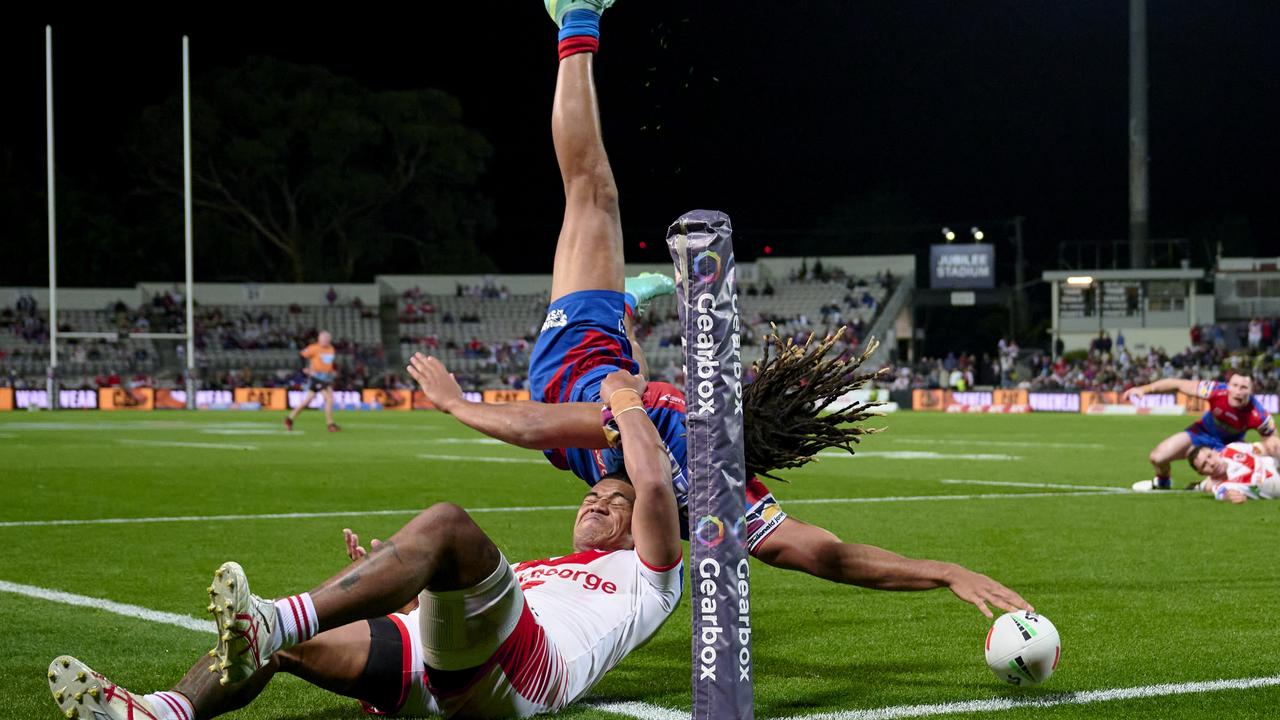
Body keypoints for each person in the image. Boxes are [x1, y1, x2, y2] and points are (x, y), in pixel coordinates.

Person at [407, 0, 1029, 621]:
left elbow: (540, 426)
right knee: (596, 215)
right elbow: (826, 555)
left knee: (592, 200)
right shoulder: (713, 479)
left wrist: (455, 403)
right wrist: (945, 571)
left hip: (579, 372)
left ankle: (577, 26)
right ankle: (578, 26)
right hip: (597, 369)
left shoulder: (691, 458)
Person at [48, 367, 682, 720]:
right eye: (592, 496)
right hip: (449, 665)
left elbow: (653, 481)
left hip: (528, 675)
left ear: (639, 525)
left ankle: (278, 619)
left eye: (614, 503)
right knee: (275, 646)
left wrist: (624, 396)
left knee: (447, 524)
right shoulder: (541, 568)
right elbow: (462, 622)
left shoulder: (651, 573)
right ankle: (161, 714)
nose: (597, 501)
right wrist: (395, 581)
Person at [1127, 374, 1278, 491]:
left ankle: (1200, 486)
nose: (1238, 391)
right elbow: (1177, 384)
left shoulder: (1259, 414)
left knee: (1229, 480)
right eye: (1235, 385)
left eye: (1244, 387)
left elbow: (1273, 444)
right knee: (1157, 457)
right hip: (1199, 433)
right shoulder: (1215, 390)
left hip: (1226, 448)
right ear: (1228, 386)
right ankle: (1163, 482)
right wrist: (1144, 389)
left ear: (1252, 390)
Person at [1186, 442, 1279, 503]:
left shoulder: (1232, 448)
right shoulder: (1222, 486)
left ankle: (1200, 485)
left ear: (1215, 451)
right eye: (1204, 465)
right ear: (1202, 473)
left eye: (1209, 456)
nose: (1211, 463)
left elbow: (1262, 448)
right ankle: (1200, 486)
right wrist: (1230, 497)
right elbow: (1224, 494)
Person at [285, 330, 339, 432]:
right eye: (323, 338)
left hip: (326, 377)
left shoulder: (331, 349)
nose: (325, 340)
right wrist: (304, 369)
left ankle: (289, 419)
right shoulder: (314, 348)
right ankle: (330, 424)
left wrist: (332, 371)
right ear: (319, 339)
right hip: (317, 377)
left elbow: (328, 363)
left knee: (307, 401)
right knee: (329, 399)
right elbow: (301, 356)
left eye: (327, 339)